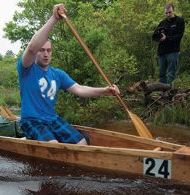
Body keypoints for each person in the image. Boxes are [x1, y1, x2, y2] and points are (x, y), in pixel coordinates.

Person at [17, 3, 120, 145]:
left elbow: (79, 89)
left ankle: (33, 139)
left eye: (49, 50)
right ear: (37, 52)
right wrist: (54, 18)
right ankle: (31, 137)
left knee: (82, 142)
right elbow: (31, 49)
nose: (46, 54)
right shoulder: (26, 68)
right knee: (53, 145)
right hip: (32, 120)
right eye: (42, 50)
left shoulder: (58, 74)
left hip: (52, 119)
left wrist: (104, 91)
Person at [152, 3, 185, 87]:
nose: (168, 14)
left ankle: (170, 91)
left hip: (173, 51)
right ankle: (163, 92)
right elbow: (154, 36)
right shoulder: (162, 23)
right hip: (162, 51)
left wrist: (166, 38)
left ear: (173, 11)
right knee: (161, 73)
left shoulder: (179, 21)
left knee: (171, 72)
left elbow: (179, 36)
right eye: (166, 13)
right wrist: (159, 37)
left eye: (169, 12)